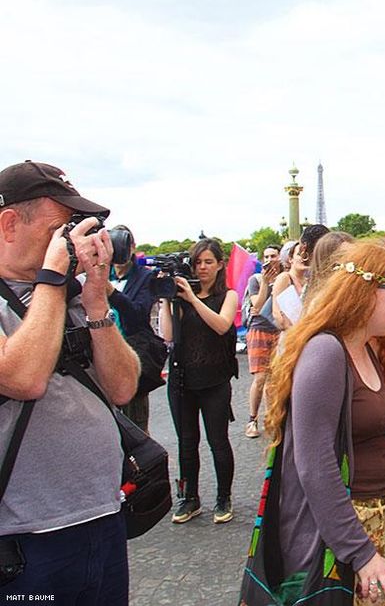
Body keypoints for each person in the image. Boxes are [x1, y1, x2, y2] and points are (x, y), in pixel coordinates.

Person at [0, 161, 139, 603]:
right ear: (8, 224)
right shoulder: (53, 288)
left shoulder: (70, 294)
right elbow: (23, 378)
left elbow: (123, 389)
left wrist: (96, 303)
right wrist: (52, 278)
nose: (74, 241)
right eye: (62, 228)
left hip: (103, 516)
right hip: (24, 539)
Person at [264, 241, 385, 604]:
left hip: (380, 520)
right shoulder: (326, 351)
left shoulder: (366, 346)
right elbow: (314, 464)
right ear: (368, 292)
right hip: (345, 537)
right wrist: (361, 553)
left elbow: (381, 426)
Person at [159, 237, 239, 524]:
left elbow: (222, 325)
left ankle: (223, 497)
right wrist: (166, 302)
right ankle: (189, 497)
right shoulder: (180, 296)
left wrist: (193, 299)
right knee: (186, 442)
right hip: (182, 379)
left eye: (208, 262)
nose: (202, 268)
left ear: (220, 265)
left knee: (218, 441)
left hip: (215, 379)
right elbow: (167, 336)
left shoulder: (227, 295)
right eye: (197, 262)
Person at [107, 224, 159, 433]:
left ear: (133, 247)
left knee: (136, 426)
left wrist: (112, 293)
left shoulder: (145, 276)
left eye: (125, 245)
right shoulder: (101, 273)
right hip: (104, 354)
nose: (121, 251)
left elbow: (138, 314)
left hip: (132, 354)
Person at [244, 244, 281, 439]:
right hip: (259, 329)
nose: (269, 260)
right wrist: (267, 283)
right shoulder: (256, 280)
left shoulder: (285, 278)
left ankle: (271, 418)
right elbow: (256, 305)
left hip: (278, 329)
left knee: (275, 380)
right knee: (260, 378)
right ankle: (252, 419)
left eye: (273, 256)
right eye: (266, 256)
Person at [272, 225, 329, 328]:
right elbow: (277, 314)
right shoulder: (284, 278)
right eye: (299, 254)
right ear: (290, 259)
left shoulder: (313, 280)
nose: (303, 258)